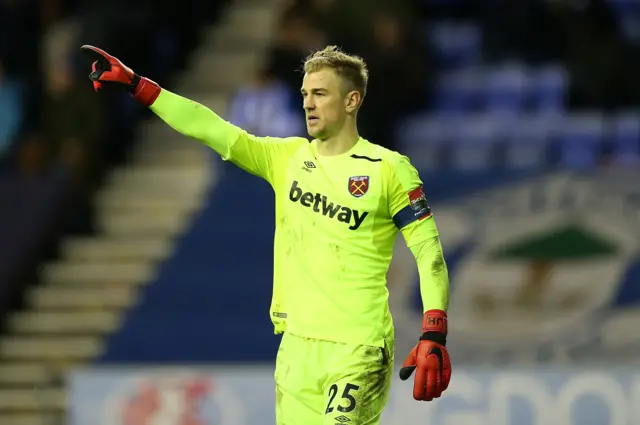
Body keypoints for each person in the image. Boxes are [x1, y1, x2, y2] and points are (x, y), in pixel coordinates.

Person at [80, 44, 452, 424]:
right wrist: (137, 84)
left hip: (358, 349)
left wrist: (433, 330)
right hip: (295, 350)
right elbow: (210, 128)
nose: (308, 103)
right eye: (305, 93)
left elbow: (429, 253)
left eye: (320, 93)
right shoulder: (286, 158)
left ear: (352, 100)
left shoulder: (389, 169)